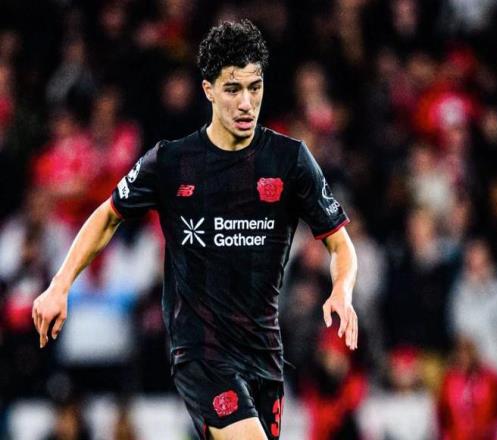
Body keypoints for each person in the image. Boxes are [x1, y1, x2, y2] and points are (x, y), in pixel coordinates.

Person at [32, 20, 358, 440]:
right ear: (208, 90)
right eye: (233, 89)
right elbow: (108, 215)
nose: (246, 103)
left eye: (255, 87)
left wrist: (342, 289)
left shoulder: (289, 160)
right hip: (201, 353)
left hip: (264, 353)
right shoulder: (171, 162)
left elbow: (340, 244)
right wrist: (59, 285)